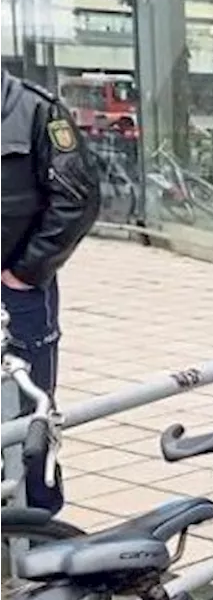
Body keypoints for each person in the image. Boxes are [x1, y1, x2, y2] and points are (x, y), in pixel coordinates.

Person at [0, 69, 100, 514]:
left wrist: (26, 271)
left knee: (28, 411)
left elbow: (77, 198)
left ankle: (39, 526)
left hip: (17, 293)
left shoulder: (36, 110)